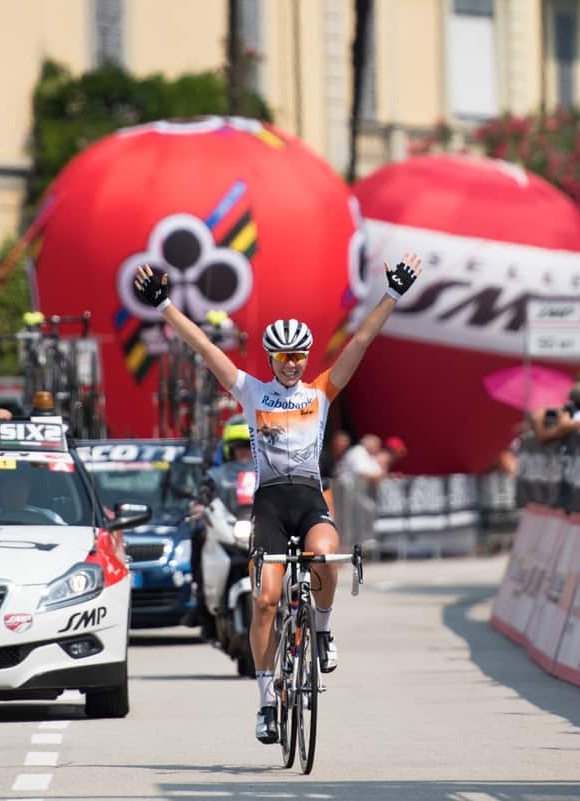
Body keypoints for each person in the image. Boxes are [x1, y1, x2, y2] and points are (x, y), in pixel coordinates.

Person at [133, 252, 423, 745]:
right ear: (270, 359)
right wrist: (164, 305)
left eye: (299, 355)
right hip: (268, 503)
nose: (292, 364)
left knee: (325, 557)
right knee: (266, 601)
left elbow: (361, 340)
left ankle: (324, 630)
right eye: (283, 356)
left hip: (308, 496)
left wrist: (391, 294)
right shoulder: (250, 392)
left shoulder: (322, 392)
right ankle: (268, 702)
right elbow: (203, 345)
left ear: (307, 357)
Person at [190, 417, 257, 640]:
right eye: (240, 448)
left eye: (249, 447)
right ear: (230, 450)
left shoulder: (269, 471)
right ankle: (202, 605)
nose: (245, 453)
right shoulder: (216, 475)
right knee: (198, 535)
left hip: (263, 528)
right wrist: (200, 506)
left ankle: (300, 607)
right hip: (230, 528)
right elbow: (204, 495)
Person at [0, 467, 66, 525]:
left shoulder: (49, 516)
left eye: (18, 487)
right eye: (8, 488)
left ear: (28, 489)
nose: (13, 492)